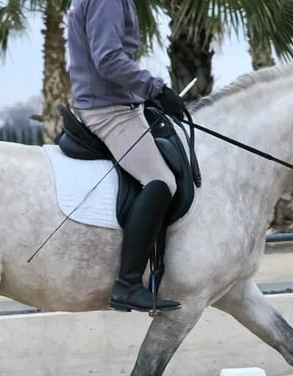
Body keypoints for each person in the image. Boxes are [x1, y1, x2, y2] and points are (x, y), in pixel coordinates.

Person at [67, 0, 186, 313]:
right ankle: (128, 283)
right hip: (109, 110)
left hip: (115, 102)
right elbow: (107, 59)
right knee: (161, 181)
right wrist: (156, 89)